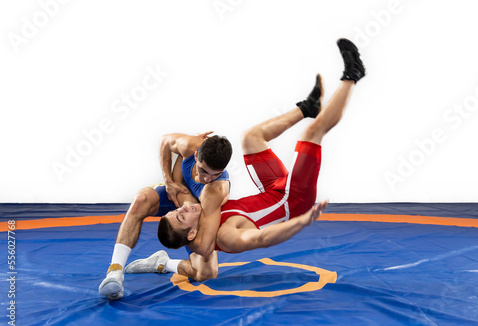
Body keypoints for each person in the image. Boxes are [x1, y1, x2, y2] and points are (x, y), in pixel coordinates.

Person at [125, 38, 365, 282]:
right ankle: (353, 75)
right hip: (293, 200)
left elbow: (182, 185)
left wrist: (170, 180)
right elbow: (262, 239)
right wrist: (301, 222)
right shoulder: (224, 236)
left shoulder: (204, 212)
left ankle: (307, 107)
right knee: (312, 134)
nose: (184, 206)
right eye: (181, 215)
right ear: (192, 232)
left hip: (271, 189)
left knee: (250, 138)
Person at [98, 131, 232, 300]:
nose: (206, 179)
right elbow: (164, 142)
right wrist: (169, 182)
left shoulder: (216, 191)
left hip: (193, 216)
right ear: (197, 155)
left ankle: (162, 263)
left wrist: (178, 186)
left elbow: (203, 241)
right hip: (178, 200)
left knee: (206, 273)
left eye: (215, 174)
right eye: (203, 171)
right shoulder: (190, 145)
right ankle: (114, 272)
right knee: (141, 200)